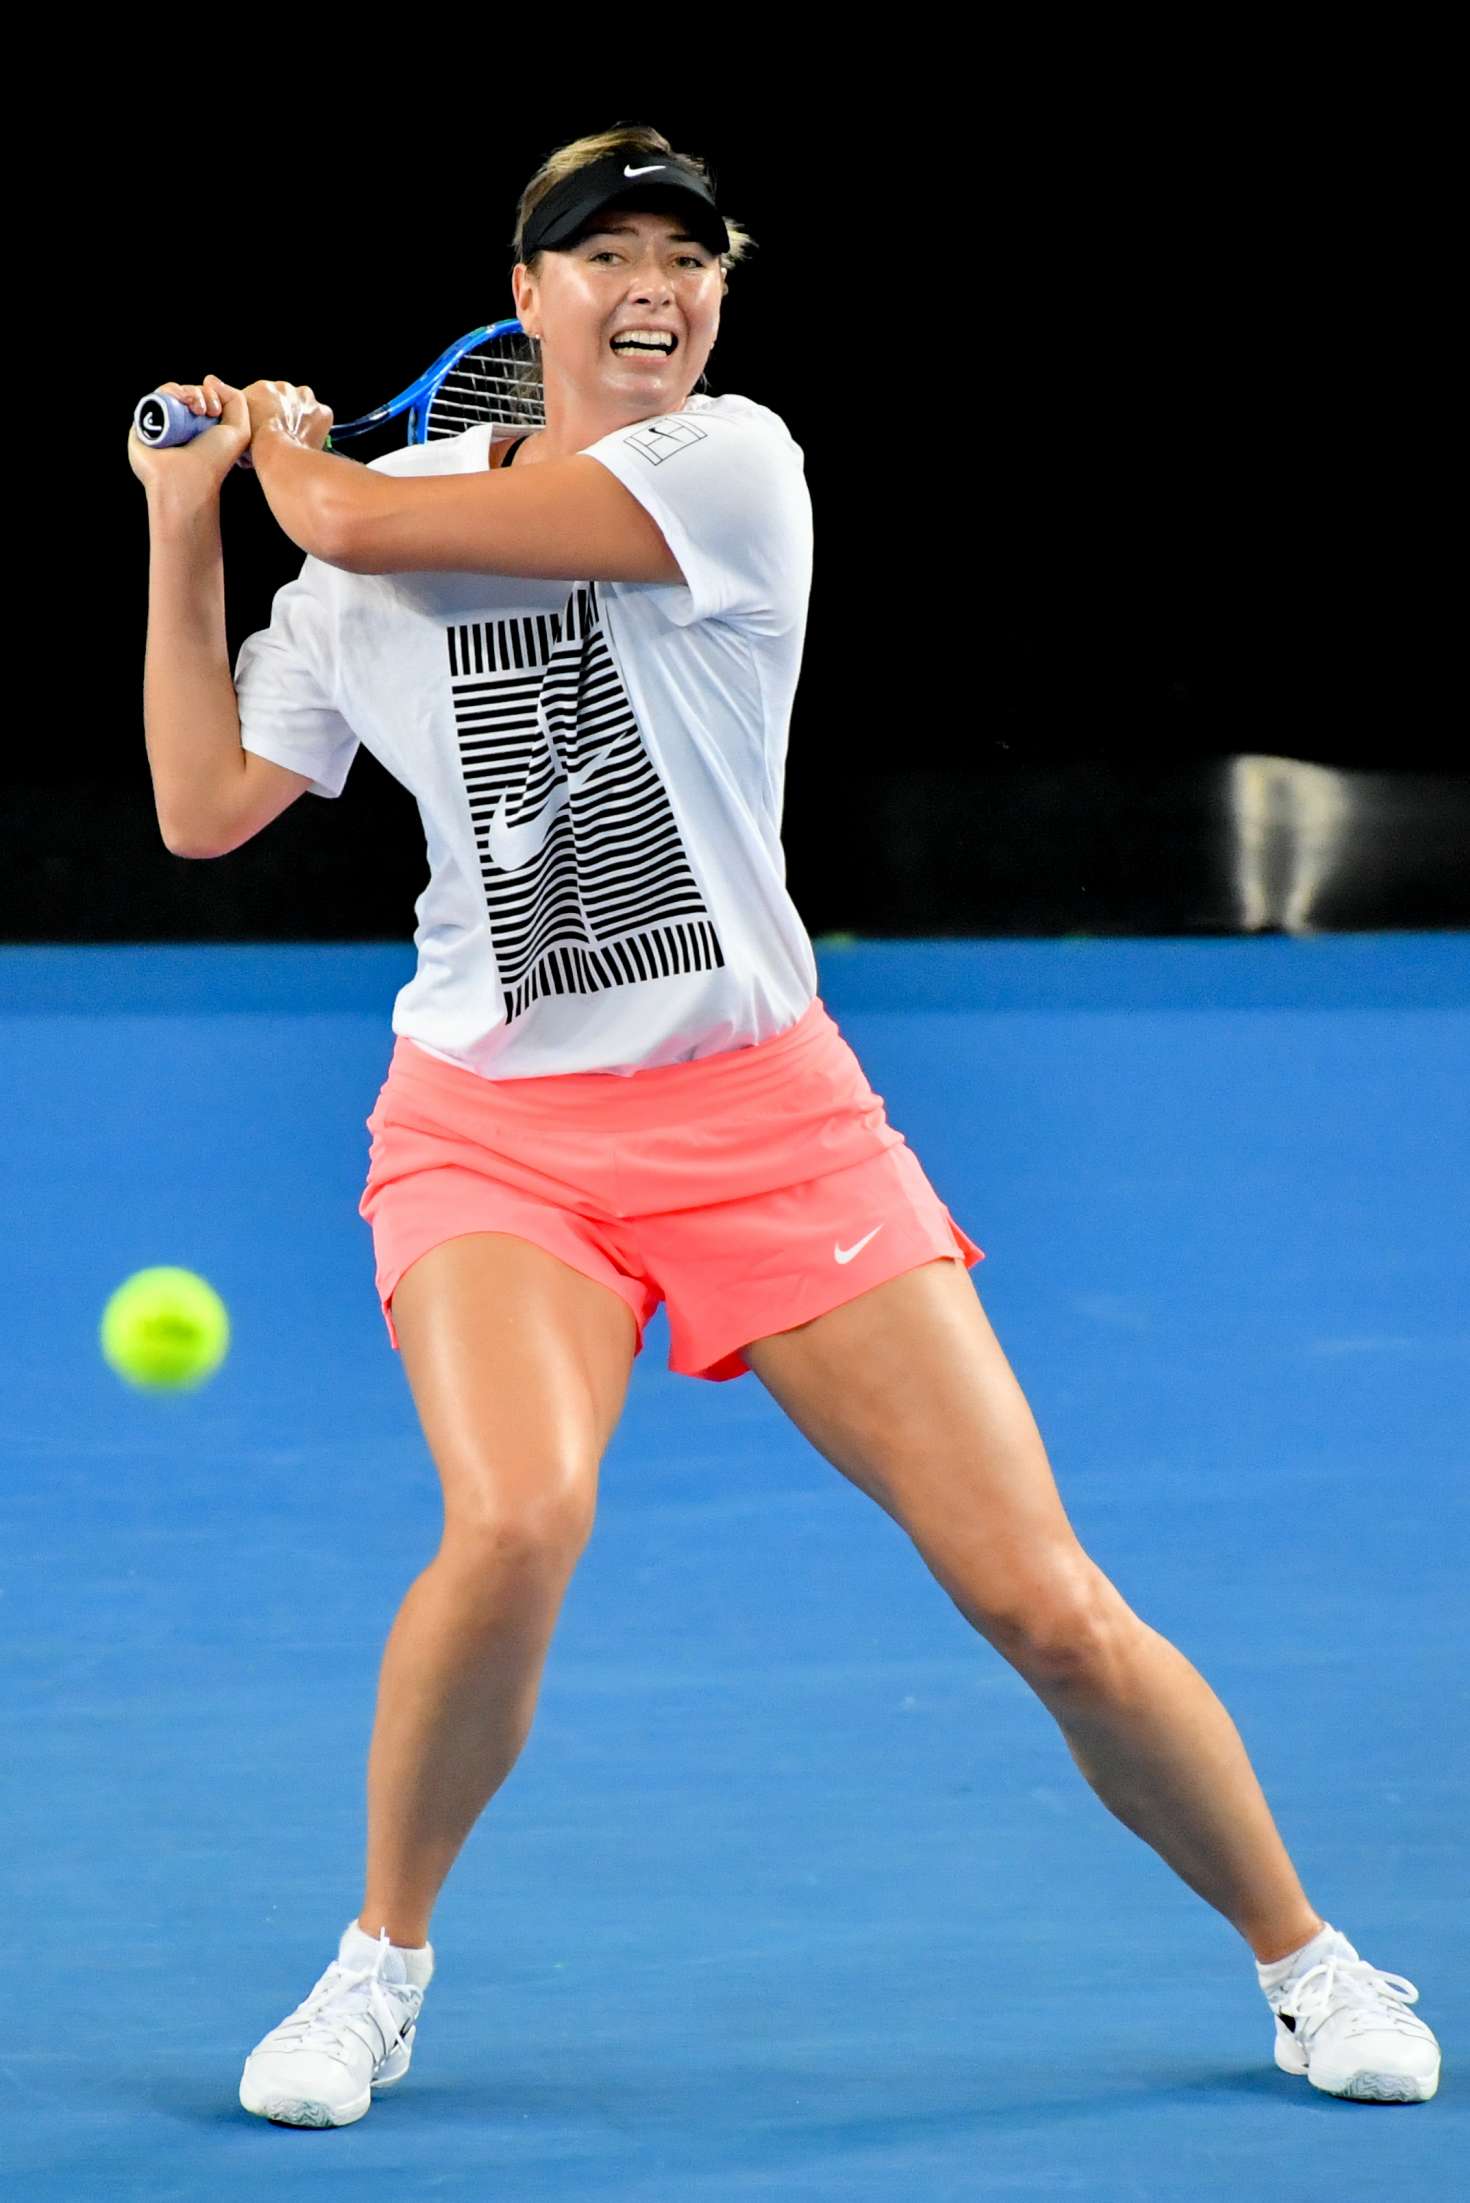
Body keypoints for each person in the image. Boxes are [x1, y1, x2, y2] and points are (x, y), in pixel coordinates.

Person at [129, 123, 1440, 2131]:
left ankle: (1307, 1955)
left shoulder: (731, 467)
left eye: (688, 253)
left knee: (1043, 1602)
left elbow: (376, 534)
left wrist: (284, 464)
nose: (654, 281)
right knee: (515, 1521)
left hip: (770, 1122)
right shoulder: (360, 532)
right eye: (607, 253)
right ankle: (374, 1967)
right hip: (492, 1133)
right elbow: (206, 800)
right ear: (526, 299)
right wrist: (183, 519)